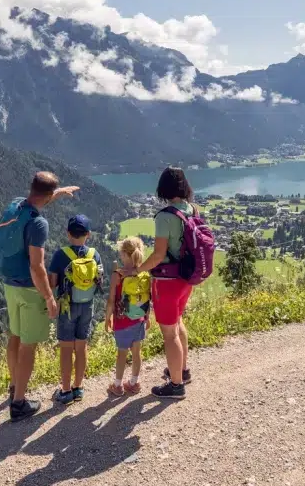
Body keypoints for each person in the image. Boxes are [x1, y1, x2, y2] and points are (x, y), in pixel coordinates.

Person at [0, 171, 79, 422]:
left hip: (10, 284)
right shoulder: (39, 224)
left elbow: (38, 199)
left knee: (15, 336)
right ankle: (19, 404)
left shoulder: (17, 204)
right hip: (31, 290)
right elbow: (37, 266)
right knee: (29, 345)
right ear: (48, 195)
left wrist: (57, 194)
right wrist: (49, 297)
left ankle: (13, 386)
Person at [127, 167, 196, 400]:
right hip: (187, 278)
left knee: (169, 334)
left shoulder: (165, 216)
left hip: (167, 281)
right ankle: (182, 371)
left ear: (163, 188)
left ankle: (176, 385)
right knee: (178, 323)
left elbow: (158, 255)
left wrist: (136, 270)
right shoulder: (191, 209)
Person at [47, 214, 104, 405]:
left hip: (67, 306)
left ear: (68, 233)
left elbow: (53, 282)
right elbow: (99, 280)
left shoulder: (60, 254)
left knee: (65, 349)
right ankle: (78, 388)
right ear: (88, 234)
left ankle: (65, 391)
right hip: (87, 304)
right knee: (81, 347)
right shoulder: (94, 254)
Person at [105, 237, 151, 397]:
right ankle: (134, 383)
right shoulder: (144, 273)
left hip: (122, 321)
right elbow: (147, 297)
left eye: (121, 254)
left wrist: (107, 318)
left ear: (125, 254)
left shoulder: (118, 275)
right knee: (137, 352)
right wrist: (148, 317)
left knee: (122, 353)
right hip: (139, 319)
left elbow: (111, 300)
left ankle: (117, 386)